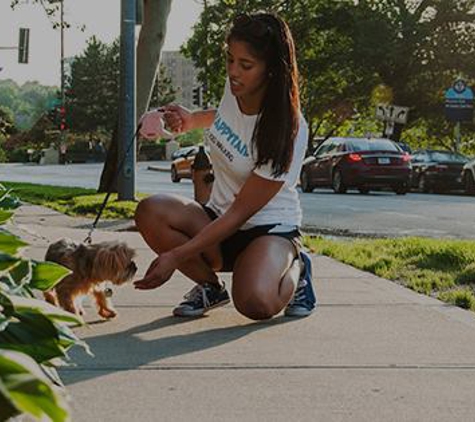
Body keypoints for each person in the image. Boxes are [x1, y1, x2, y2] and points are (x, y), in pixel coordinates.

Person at [134, 12, 316, 320]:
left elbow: (239, 213)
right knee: (150, 211)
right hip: (217, 217)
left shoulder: (289, 130)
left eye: (245, 65)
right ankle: (210, 287)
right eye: (230, 60)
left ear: (272, 70)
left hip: (267, 229)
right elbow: (224, 116)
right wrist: (191, 119)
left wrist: (174, 257)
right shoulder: (235, 90)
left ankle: (298, 266)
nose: (234, 71)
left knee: (255, 303)